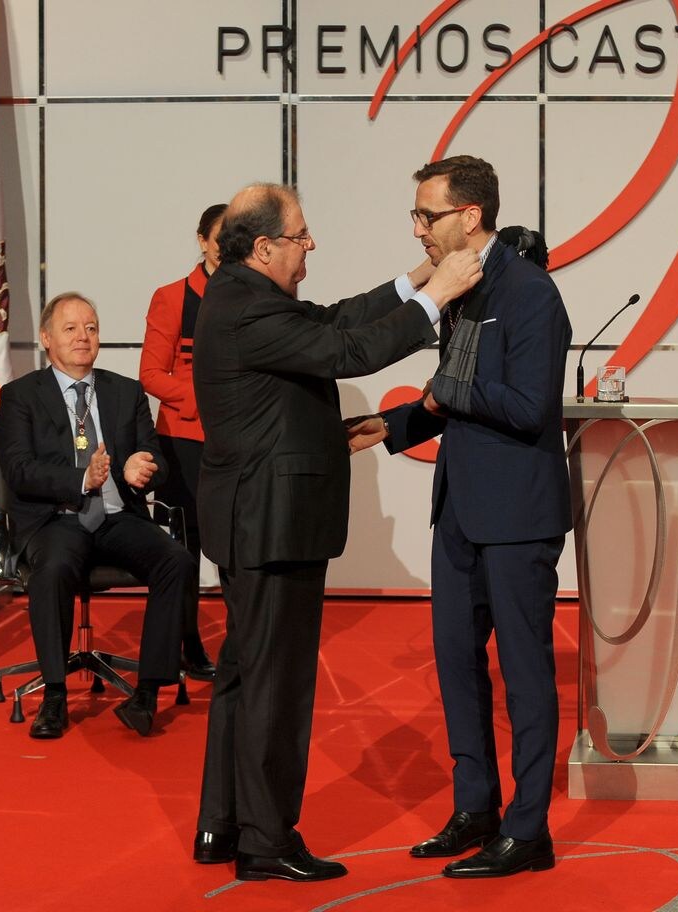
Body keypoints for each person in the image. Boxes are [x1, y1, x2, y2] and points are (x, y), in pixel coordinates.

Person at [190, 182, 483, 883]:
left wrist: (414, 279)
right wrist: (437, 295)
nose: (310, 244)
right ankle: (267, 840)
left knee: (243, 677)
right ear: (263, 248)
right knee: (277, 687)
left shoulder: (242, 296)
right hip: (271, 524)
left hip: (257, 519)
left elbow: (335, 319)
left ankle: (223, 823)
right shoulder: (244, 308)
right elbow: (348, 352)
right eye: (300, 235)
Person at [348, 155, 573, 879]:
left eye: (427, 214)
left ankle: (528, 827)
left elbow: (529, 407)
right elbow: (457, 400)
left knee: (525, 674)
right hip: (461, 513)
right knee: (457, 667)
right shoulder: (459, 290)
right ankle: (475, 806)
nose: (417, 229)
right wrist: (398, 425)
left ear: (470, 216)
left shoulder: (532, 294)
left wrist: (444, 393)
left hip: (518, 516)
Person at [0, 292, 198, 739]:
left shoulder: (124, 392)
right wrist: (82, 479)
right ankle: (54, 695)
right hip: (56, 518)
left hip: (115, 514)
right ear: (47, 338)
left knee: (176, 560)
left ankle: (146, 693)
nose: (83, 337)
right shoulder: (20, 396)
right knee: (53, 568)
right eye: (70, 329)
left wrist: (138, 468)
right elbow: (19, 471)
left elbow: (159, 460)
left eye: (90, 327)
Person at [138, 203, 227, 681]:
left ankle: (241, 645)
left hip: (238, 438)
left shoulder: (255, 294)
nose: (225, 245)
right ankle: (186, 642)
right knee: (184, 551)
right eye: (219, 236)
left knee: (236, 544)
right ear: (201, 240)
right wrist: (205, 398)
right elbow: (150, 374)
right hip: (185, 440)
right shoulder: (172, 297)